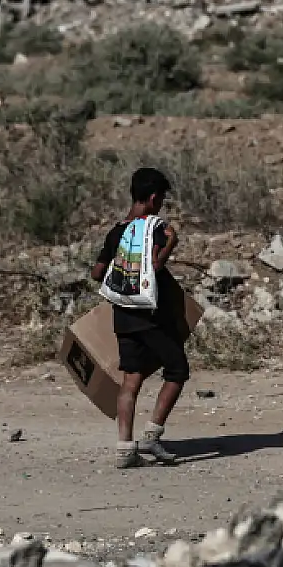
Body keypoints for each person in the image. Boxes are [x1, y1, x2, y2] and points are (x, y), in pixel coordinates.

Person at [90, 167, 189, 469]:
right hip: (150, 317)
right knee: (177, 370)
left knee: (130, 380)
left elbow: (96, 273)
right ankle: (152, 435)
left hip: (122, 317)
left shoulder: (117, 231)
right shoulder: (154, 229)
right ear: (154, 197)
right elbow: (155, 267)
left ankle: (124, 448)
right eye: (161, 200)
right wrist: (171, 242)